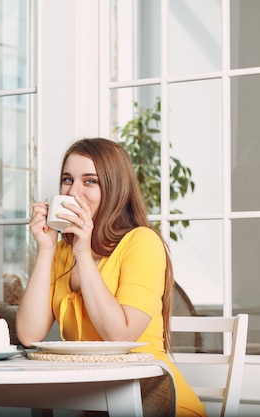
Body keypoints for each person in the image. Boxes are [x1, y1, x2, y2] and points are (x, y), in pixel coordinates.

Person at [16, 138, 206, 417]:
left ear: (114, 189)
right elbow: (29, 335)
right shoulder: (60, 252)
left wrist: (83, 250)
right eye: (67, 180)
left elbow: (120, 334)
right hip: (98, 405)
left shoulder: (142, 243)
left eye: (89, 181)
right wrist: (46, 248)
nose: (73, 191)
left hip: (154, 403)